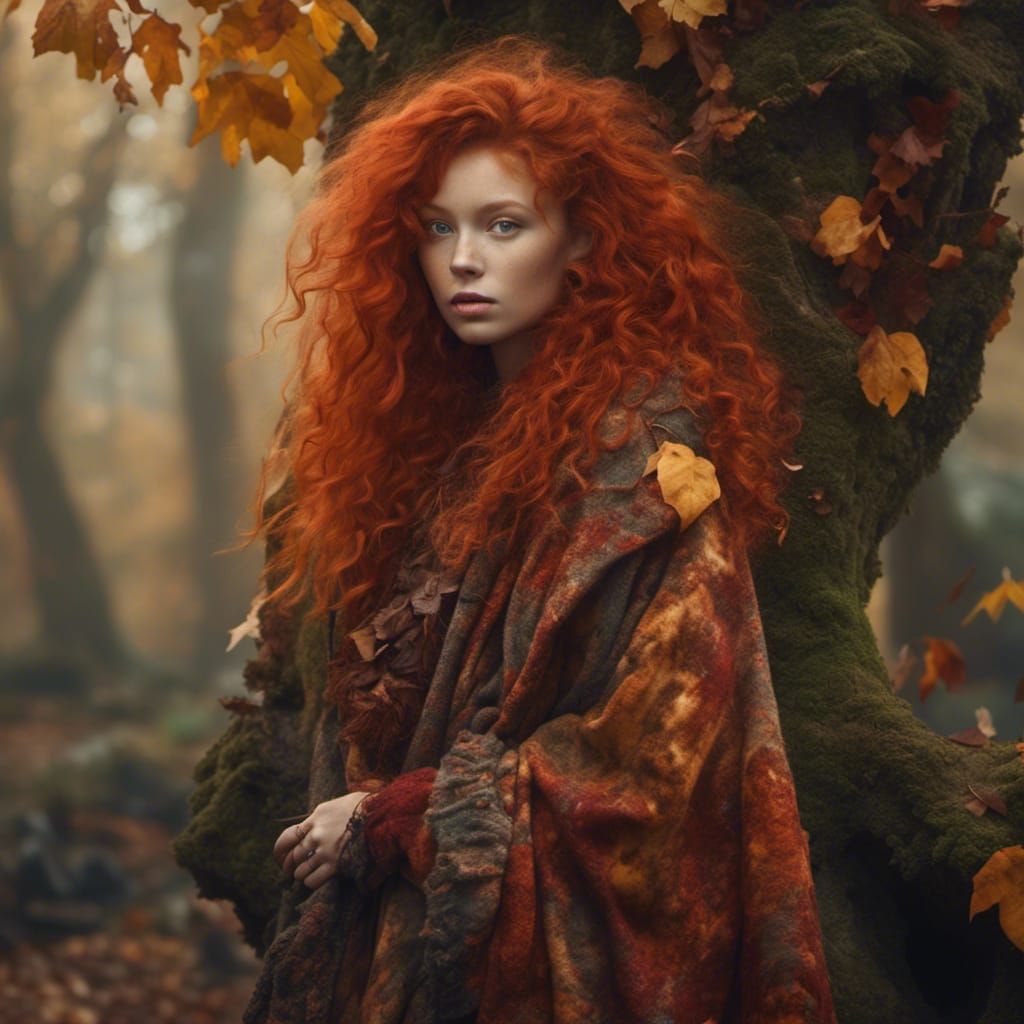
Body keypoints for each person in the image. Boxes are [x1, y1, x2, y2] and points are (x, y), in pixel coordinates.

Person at [241, 33, 837, 1024]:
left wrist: (405, 817)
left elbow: (648, 774)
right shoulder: (421, 459)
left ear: (584, 241)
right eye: (437, 228)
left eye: (504, 225)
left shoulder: (645, 475)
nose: (462, 259)